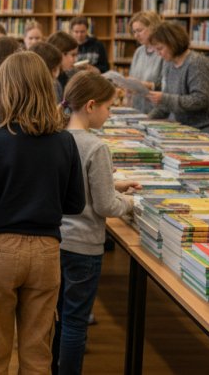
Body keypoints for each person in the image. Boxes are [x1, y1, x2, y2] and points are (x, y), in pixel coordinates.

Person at [0, 51, 85, 374]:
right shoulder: (65, 142)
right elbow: (75, 204)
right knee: (37, 354)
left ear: (6, 91)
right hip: (46, 252)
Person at [52, 71, 139, 375]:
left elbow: (75, 188)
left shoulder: (53, 138)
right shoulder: (95, 146)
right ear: (90, 106)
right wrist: (130, 203)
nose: (110, 114)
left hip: (54, 241)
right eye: (108, 107)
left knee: (56, 317)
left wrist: (115, 186)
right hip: (84, 246)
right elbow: (104, 205)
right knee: (76, 321)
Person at [146, 22, 209, 147]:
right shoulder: (169, 64)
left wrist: (164, 98)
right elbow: (166, 104)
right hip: (187, 129)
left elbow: (201, 99)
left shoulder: (196, 63)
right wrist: (146, 121)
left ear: (172, 43)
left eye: (160, 48)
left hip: (208, 130)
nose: (158, 53)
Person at [127, 11, 164, 113]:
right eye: (134, 32)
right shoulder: (139, 52)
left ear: (153, 28)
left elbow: (169, 87)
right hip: (137, 110)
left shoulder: (163, 52)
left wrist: (147, 85)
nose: (136, 36)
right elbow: (132, 77)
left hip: (157, 112)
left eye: (139, 30)